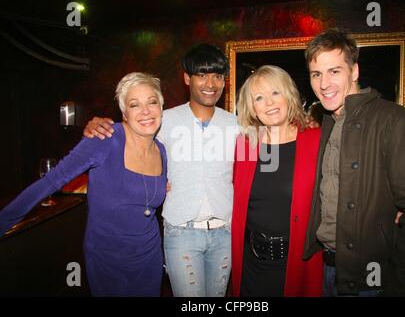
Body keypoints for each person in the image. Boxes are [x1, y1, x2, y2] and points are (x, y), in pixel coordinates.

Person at [83, 44, 238, 297]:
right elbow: (126, 137)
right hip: (181, 232)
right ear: (187, 78)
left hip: (225, 233)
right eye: (202, 74)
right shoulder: (162, 120)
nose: (211, 83)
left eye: (218, 76)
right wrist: (96, 124)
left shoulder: (235, 124)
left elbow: (265, 149)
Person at [302, 28, 405, 296]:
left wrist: (402, 288)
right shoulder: (328, 124)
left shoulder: (396, 121)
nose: (324, 83)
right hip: (327, 270)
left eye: (334, 71)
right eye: (316, 74)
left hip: (372, 280)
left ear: (354, 71)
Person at [0, 72, 167, 296]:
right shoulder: (105, 139)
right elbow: (52, 179)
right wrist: (4, 220)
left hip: (149, 257)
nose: (146, 111)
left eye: (152, 102)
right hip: (108, 260)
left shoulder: (162, 151)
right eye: (135, 104)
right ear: (124, 113)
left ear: (161, 107)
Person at [231, 65, 322, 297]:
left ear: (288, 95)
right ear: (252, 108)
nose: (269, 103)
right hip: (251, 265)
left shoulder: (315, 140)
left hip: (297, 264)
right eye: (259, 98)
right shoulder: (246, 145)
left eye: (275, 93)